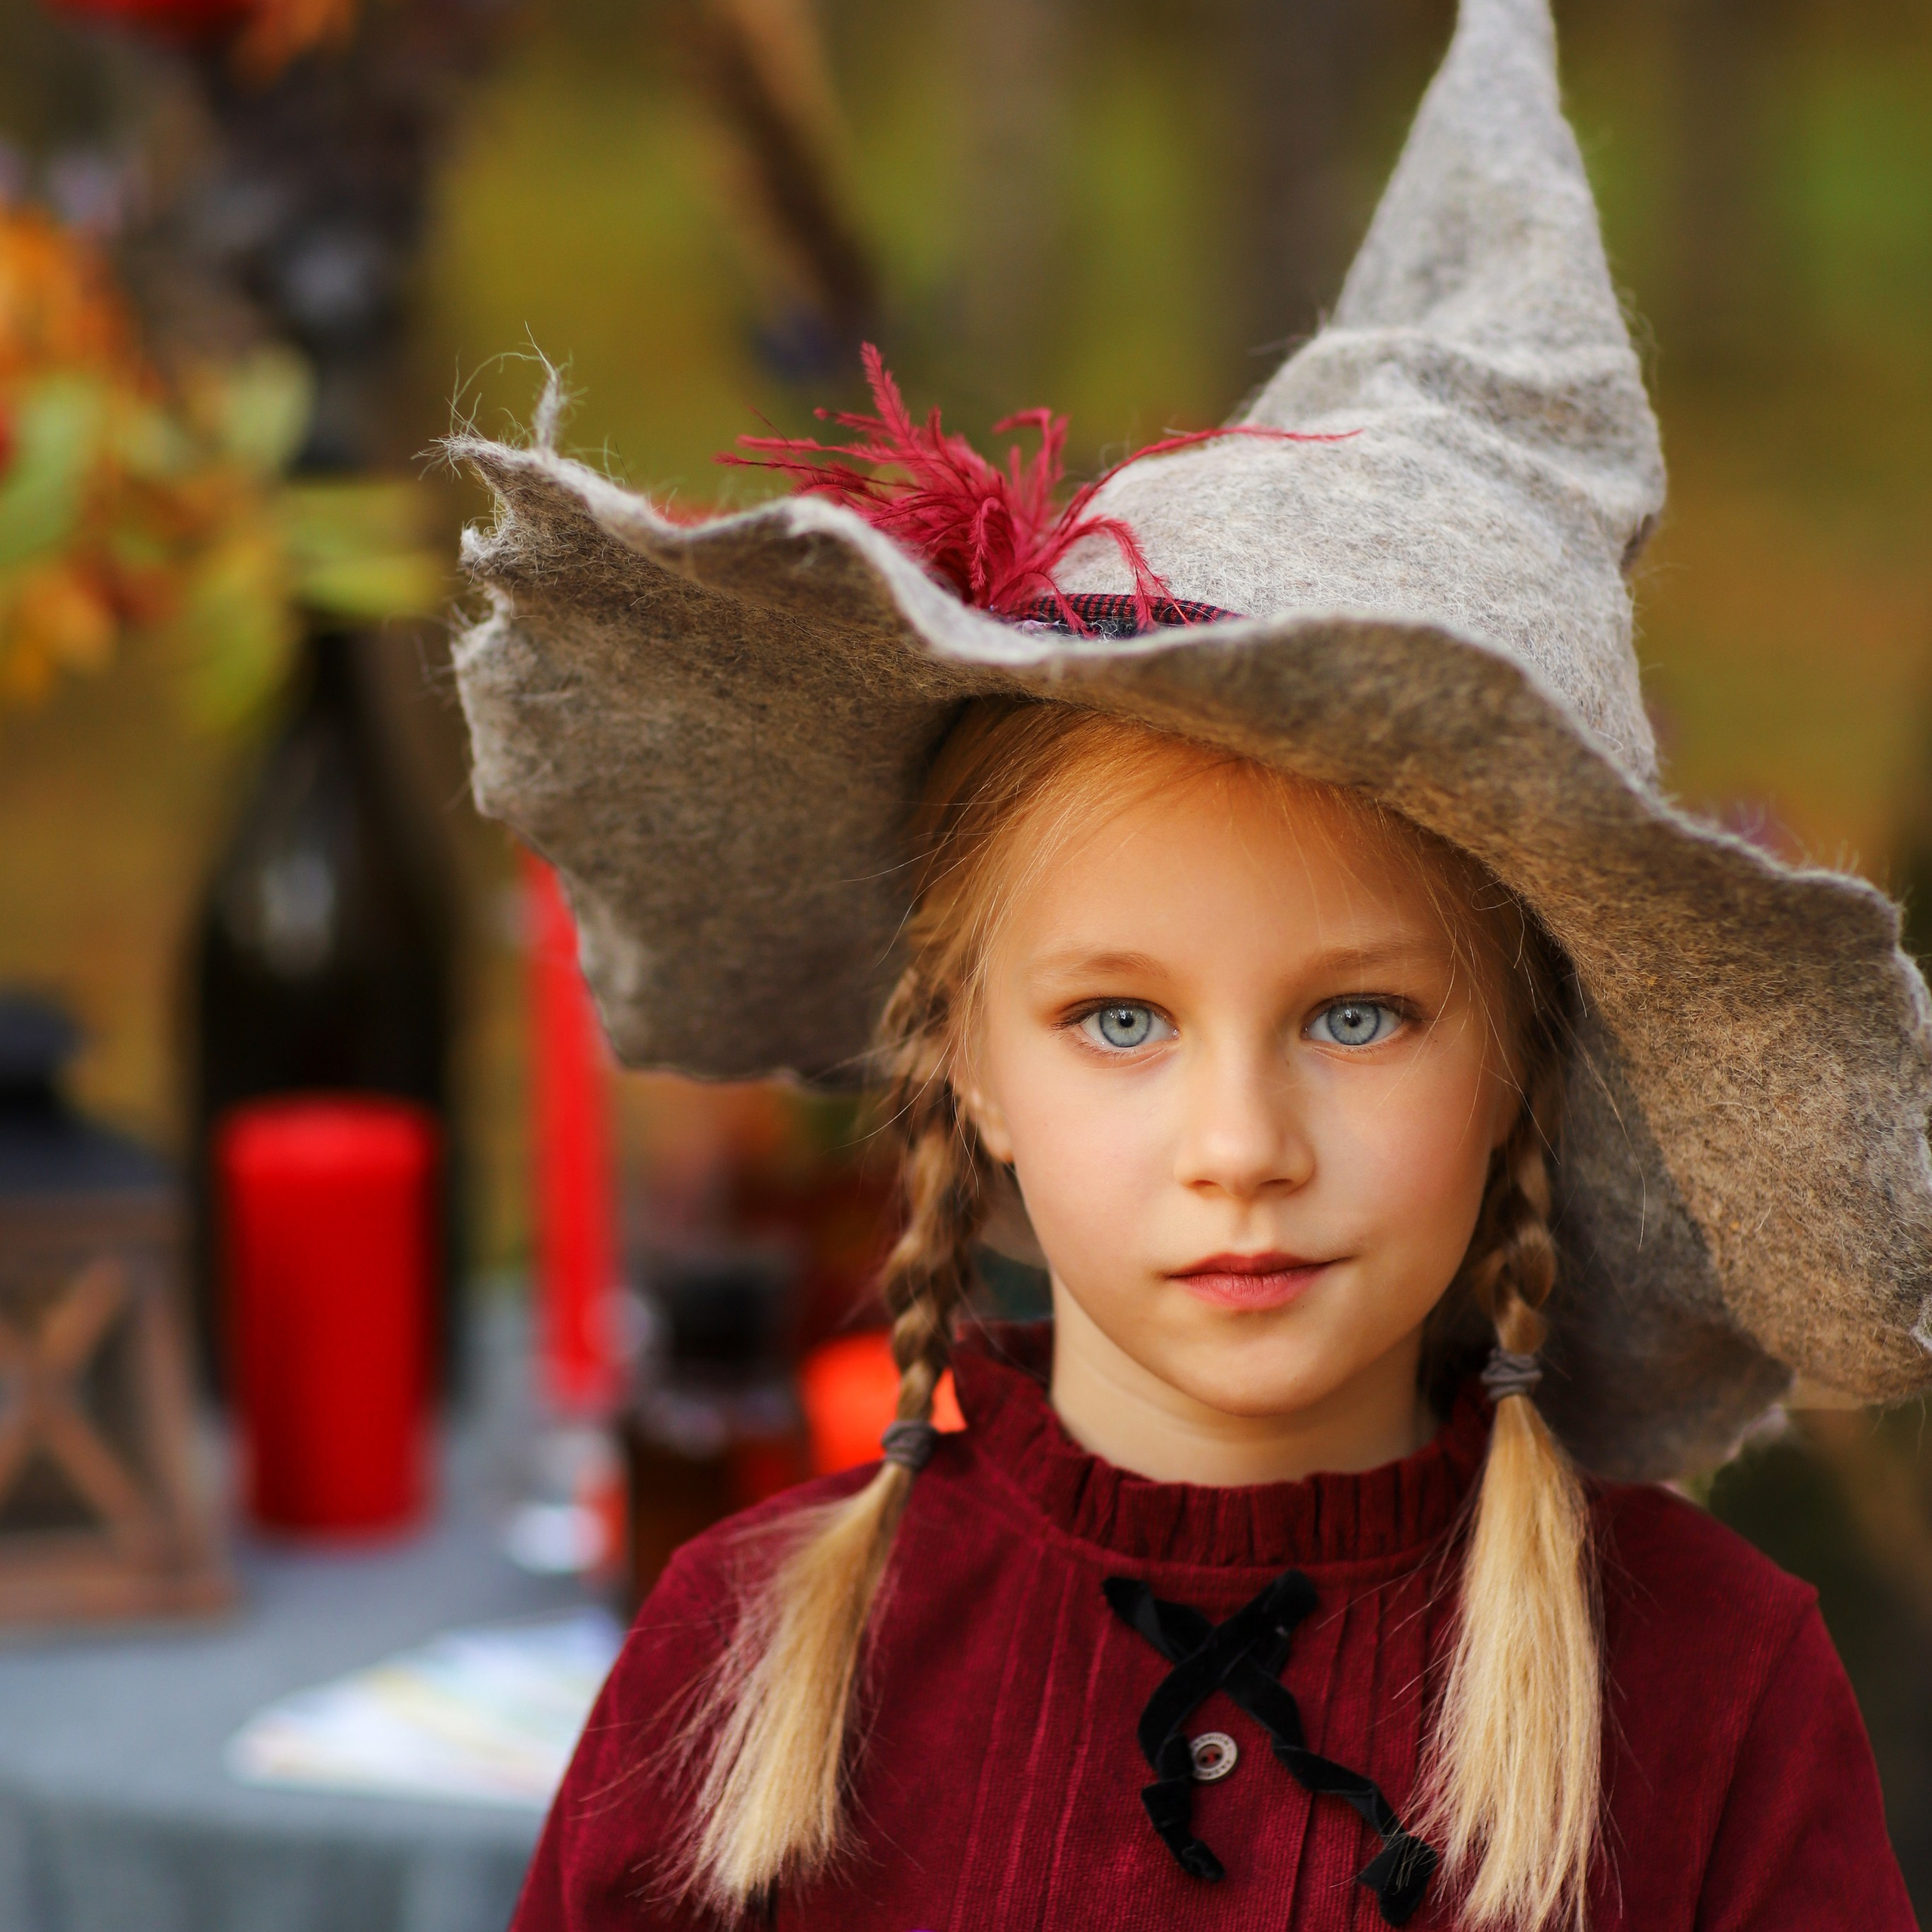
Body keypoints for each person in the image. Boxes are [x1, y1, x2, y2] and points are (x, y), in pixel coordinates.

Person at [451, 0, 1931, 1924]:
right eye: (1119, 1017)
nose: (1242, 1141)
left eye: (1356, 1012)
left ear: (1516, 1057)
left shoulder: (1705, 1688)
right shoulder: (744, 1667)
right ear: (965, 1052)